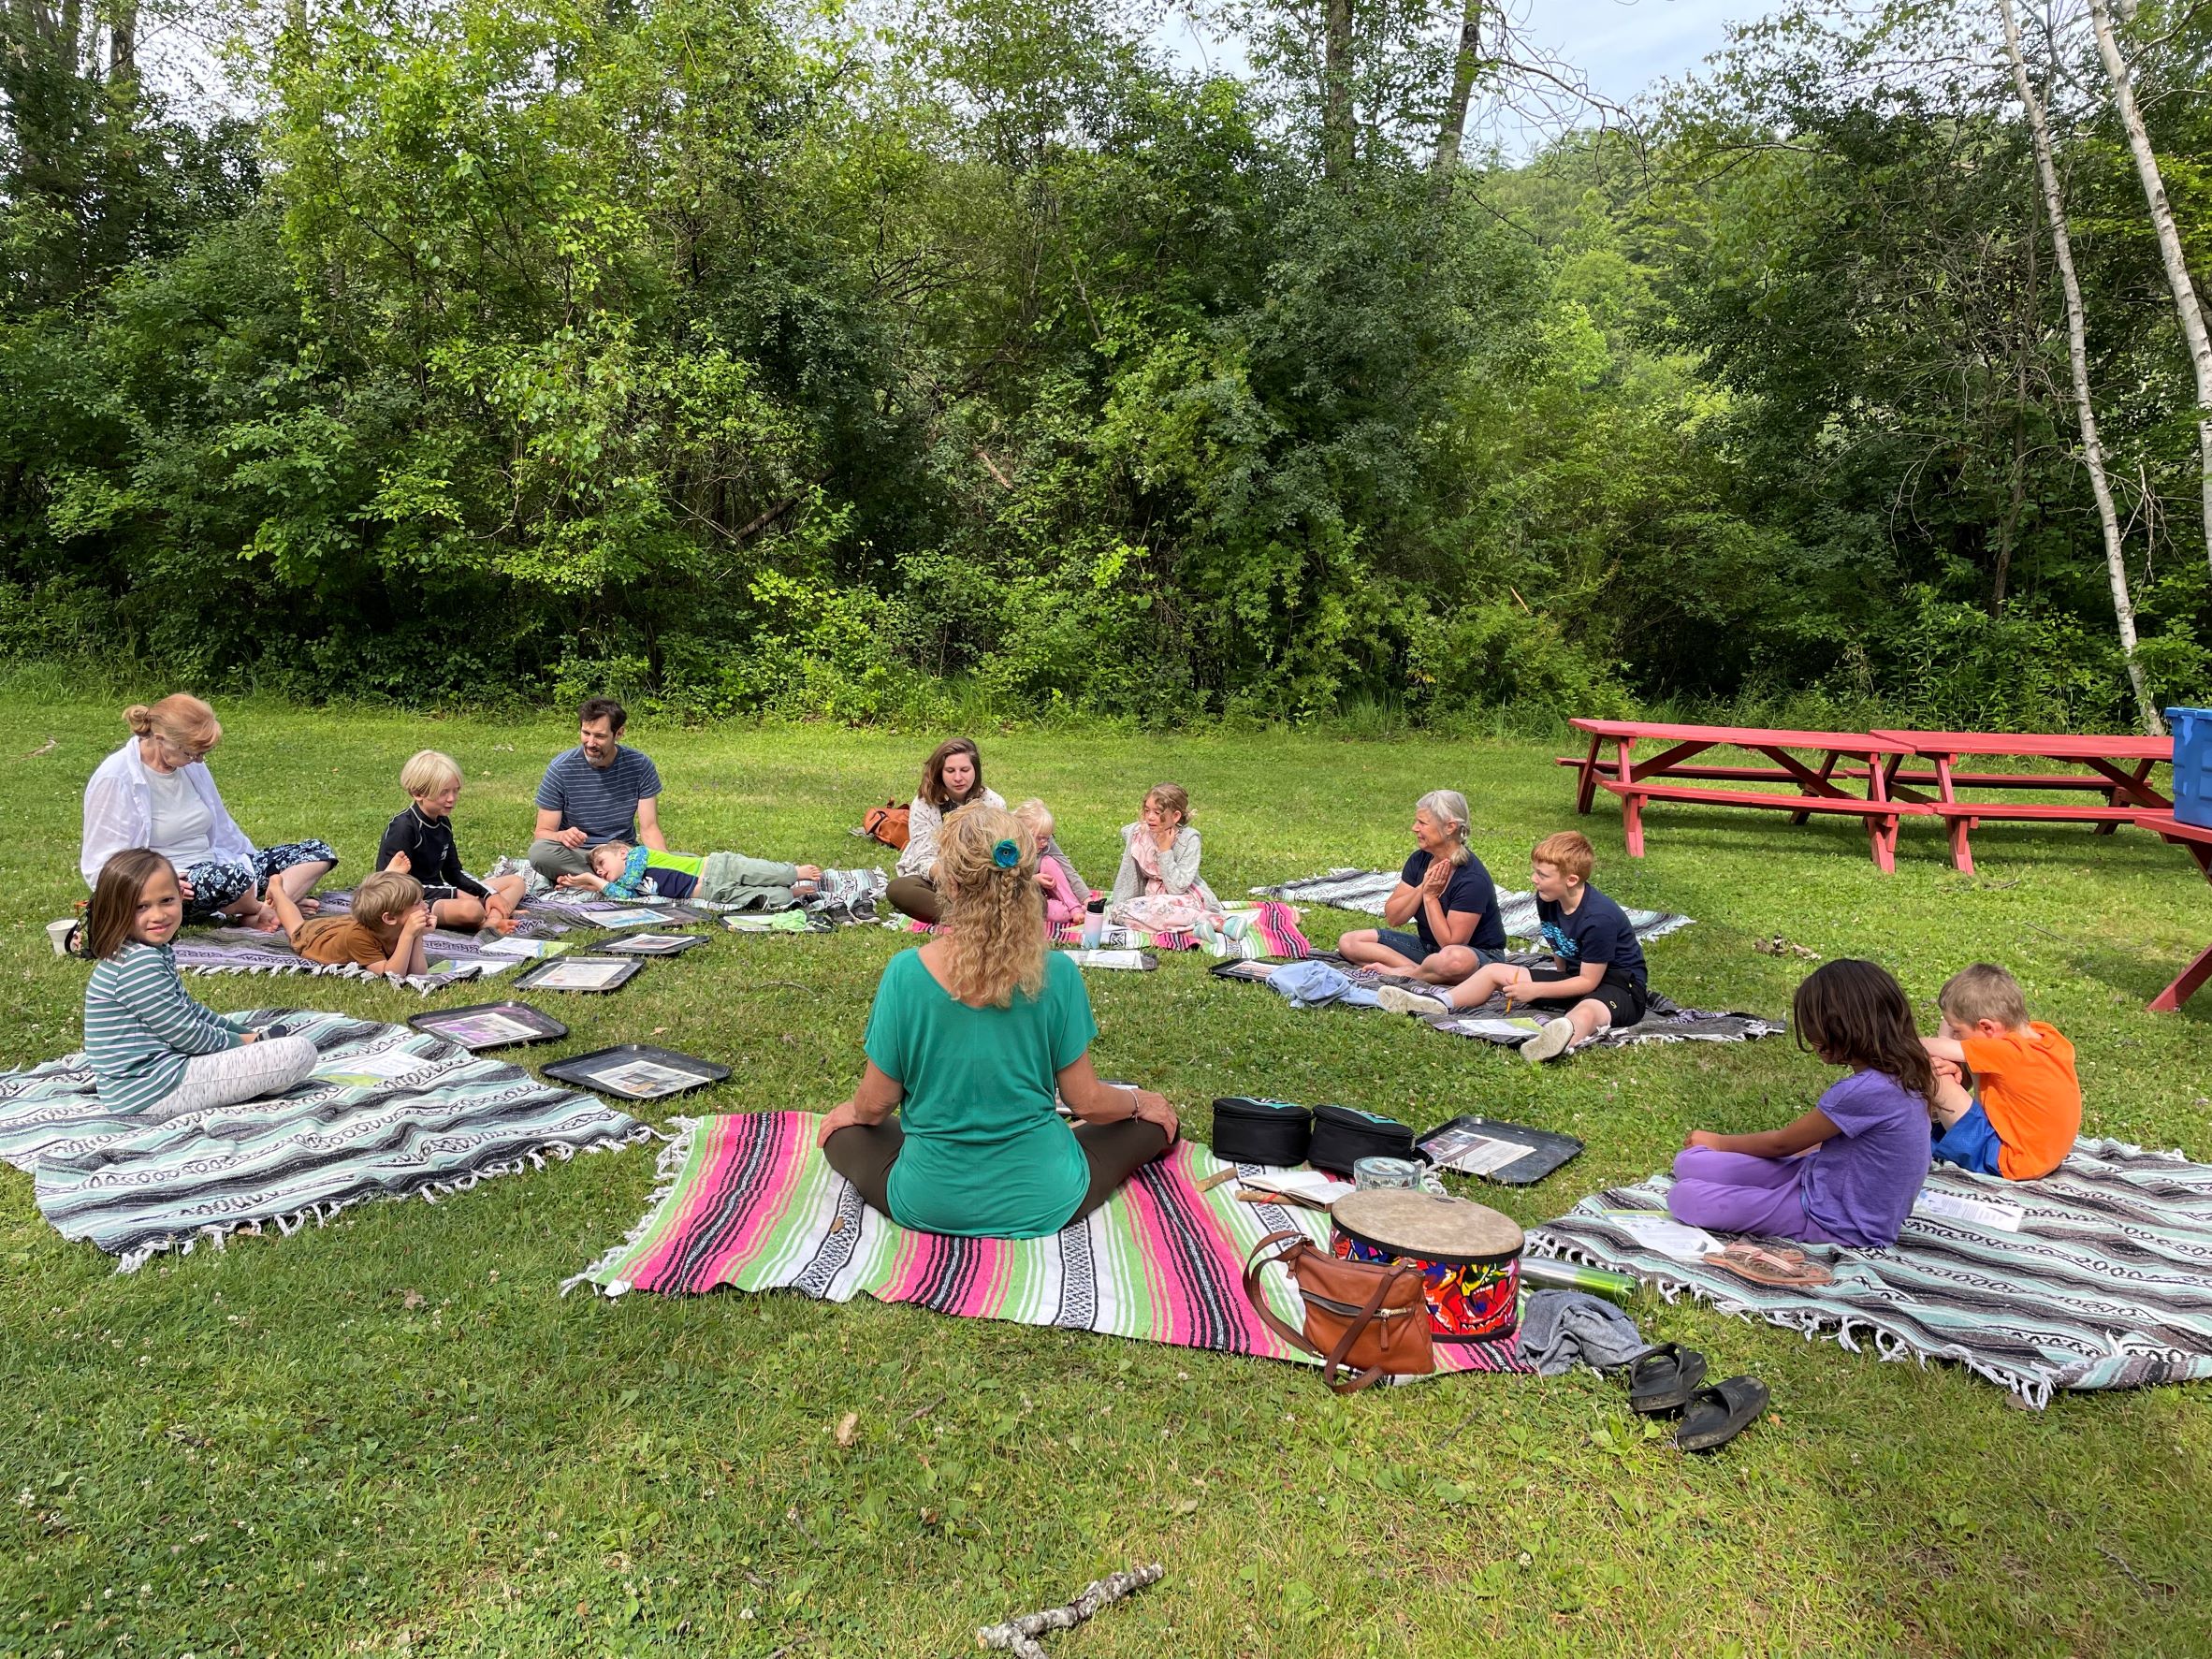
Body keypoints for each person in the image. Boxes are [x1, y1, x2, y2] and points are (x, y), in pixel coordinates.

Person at [818, 806, 1180, 1238]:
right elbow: (1087, 1104)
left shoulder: (905, 972)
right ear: (1026, 878)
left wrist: (850, 1113)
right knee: (1156, 1123)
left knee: (840, 1133)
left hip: (928, 1198)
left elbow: (875, 1106)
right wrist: (1141, 1102)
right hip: (1047, 1195)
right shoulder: (1057, 972)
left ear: (949, 883)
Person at [1666, 959, 1935, 1248]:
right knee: (1689, 1162)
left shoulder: (1863, 1091)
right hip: (1821, 1180)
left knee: (1684, 1198)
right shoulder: (1905, 1074)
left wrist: (1719, 1141)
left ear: (1839, 1028)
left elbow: (1782, 1145)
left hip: (1836, 1220)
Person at [80, 849, 319, 1119]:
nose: (158, 915)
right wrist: (243, 1043)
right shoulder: (140, 962)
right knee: (298, 1053)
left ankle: (251, 1067)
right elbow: (185, 1033)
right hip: (151, 1089)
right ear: (117, 909)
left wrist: (245, 1033)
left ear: (182, 898)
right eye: (141, 906)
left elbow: (189, 1011)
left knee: (268, 1049)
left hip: (156, 1075)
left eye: (166, 900)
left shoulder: (145, 951)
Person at [1377, 830, 1648, 1063]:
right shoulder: (1547, 898)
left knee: (1587, 1009)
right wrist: (1549, 983)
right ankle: (1439, 1003)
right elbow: (1561, 956)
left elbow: (1588, 982)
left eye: (1542, 874)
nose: (1533, 878)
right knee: (1495, 970)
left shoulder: (1598, 918)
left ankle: (1555, 1042)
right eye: (1535, 871)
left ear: (1571, 880)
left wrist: (1537, 989)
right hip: (1575, 977)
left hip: (1620, 987)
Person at [80, 695, 337, 929]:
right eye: (192, 753)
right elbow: (100, 863)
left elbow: (223, 828)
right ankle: (264, 908)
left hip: (216, 864)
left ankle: (267, 908)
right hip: (171, 883)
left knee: (316, 852)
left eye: (203, 753)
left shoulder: (189, 765)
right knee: (234, 880)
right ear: (160, 740)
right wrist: (153, 881)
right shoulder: (115, 778)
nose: (199, 760)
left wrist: (252, 860)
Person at [1922, 964, 2081, 1181]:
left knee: (1934, 1070)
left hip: (2008, 1161)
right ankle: (1933, 1115)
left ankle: (1920, 1120)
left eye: (1958, 1031)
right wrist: (1954, 1052)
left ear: (1988, 1027)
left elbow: (1923, 1046)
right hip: (2043, 1157)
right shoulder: (2045, 1035)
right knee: (1955, 1037)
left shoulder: (2006, 1051)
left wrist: (1887, 1041)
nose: (1955, 1035)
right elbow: (1952, 1029)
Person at [1336, 790, 1506, 982]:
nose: (1414, 828)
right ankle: (1416, 971)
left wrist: (1431, 897)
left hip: (1476, 958)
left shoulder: (1472, 879)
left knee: (1454, 961)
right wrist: (1423, 886)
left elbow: (1451, 945)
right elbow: (1393, 917)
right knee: (1350, 942)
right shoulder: (1420, 860)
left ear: (1450, 827)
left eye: (1422, 823)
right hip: (1428, 950)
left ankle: (1410, 973)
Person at [377, 750, 526, 933]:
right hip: (412, 902)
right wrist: (455, 894)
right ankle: (492, 916)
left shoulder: (443, 822)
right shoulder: (402, 828)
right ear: (417, 793)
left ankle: (493, 919)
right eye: (444, 792)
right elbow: (390, 888)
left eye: (456, 790)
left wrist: (488, 893)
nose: (452, 799)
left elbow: (454, 872)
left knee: (516, 882)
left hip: (441, 892)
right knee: (471, 909)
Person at [528, 697, 665, 880]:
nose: (590, 743)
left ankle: (599, 878)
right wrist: (562, 836)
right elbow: (542, 833)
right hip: (579, 854)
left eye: (599, 736)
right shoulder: (561, 768)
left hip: (621, 853)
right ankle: (621, 879)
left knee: (691, 862)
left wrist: (666, 864)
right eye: (586, 733)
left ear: (618, 734)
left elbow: (649, 828)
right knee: (540, 853)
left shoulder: (640, 765)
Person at [886, 738, 1003, 924]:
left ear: (975, 771)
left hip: (981, 877)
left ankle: (975, 913)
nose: (958, 778)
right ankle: (972, 917)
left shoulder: (993, 803)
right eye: (950, 771)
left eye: (965, 770)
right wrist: (948, 879)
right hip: (938, 876)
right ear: (940, 772)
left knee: (1029, 891)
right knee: (899, 889)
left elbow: (999, 851)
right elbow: (924, 858)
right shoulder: (924, 804)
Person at [562, 840, 823, 909]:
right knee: (764, 897)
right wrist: (594, 882)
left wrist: (596, 881)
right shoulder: (625, 888)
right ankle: (788, 893)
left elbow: (628, 883)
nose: (599, 871)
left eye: (601, 863)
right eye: (597, 870)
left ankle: (793, 872)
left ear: (620, 852)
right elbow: (622, 896)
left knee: (759, 871)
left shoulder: (637, 856)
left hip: (715, 868)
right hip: (710, 891)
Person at [267, 869, 431, 977]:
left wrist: (417, 936)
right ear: (389, 918)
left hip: (343, 925)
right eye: (418, 903)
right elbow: (391, 976)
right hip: (317, 937)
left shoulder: (396, 927)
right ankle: (277, 890)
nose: (426, 906)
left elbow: (418, 973)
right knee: (296, 926)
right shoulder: (357, 938)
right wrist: (409, 935)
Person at [1106, 784, 1219, 932]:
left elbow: (1177, 888)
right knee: (1120, 913)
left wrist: (1165, 850)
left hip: (1185, 899)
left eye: (1157, 812)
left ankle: (1215, 921)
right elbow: (1129, 876)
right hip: (1151, 900)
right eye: (1147, 811)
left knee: (1161, 908)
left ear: (1175, 816)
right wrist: (1120, 905)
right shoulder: (1138, 834)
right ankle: (1191, 931)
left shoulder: (1189, 840)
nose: (1150, 817)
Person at [1012, 799, 1087, 928]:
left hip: (1042, 893)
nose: (1045, 843)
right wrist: (1033, 880)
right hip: (1021, 897)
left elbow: (1066, 867)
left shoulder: (1044, 844)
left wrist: (1086, 897)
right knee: (1061, 914)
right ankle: (1069, 909)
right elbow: (1004, 879)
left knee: (1049, 862)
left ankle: (1075, 907)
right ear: (1023, 833)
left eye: (1048, 838)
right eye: (1040, 838)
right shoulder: (1009, 849)